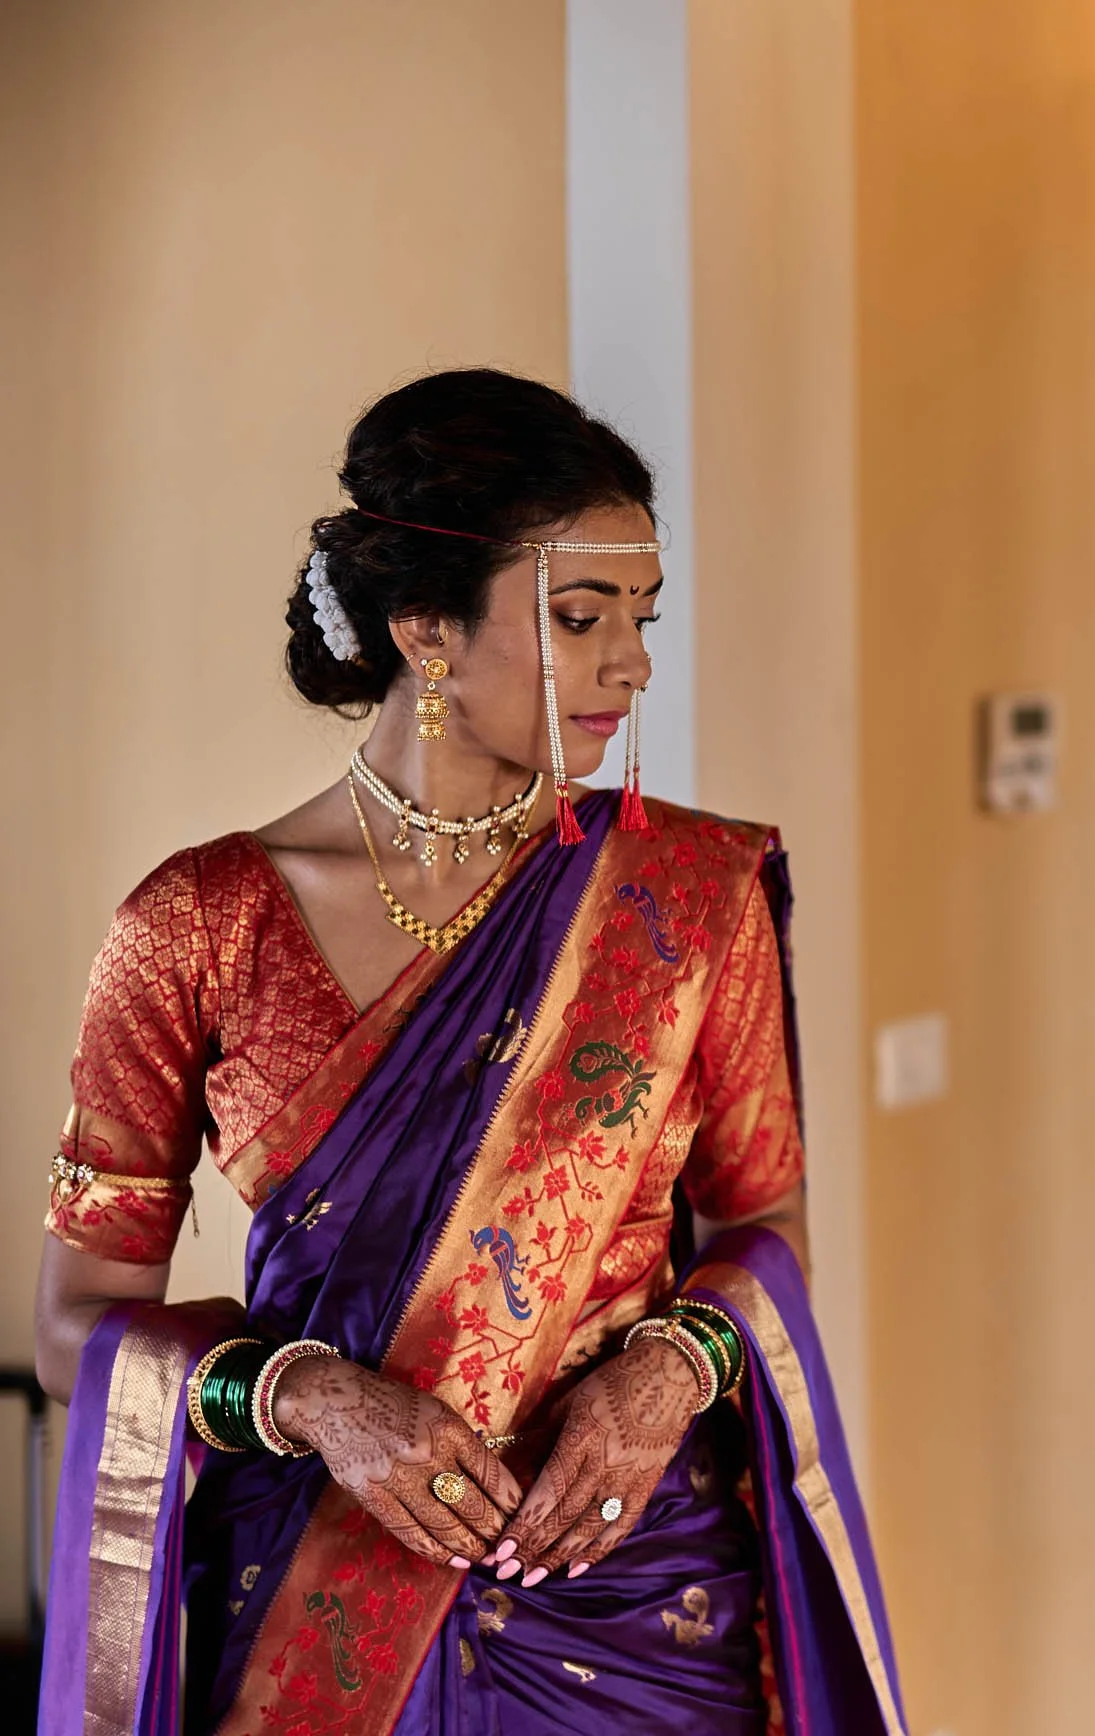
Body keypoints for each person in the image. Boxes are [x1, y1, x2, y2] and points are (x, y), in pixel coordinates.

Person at [32, 370, 904, 1736]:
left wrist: (665, 1373)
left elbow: (766, 1225)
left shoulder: (690, 896)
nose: (635, 663)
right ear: (426, 633)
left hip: (638, 1590)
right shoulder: (194, 925)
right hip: (316, 1594)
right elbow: (75, 1326)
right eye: (578, 617)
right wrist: (312, 1396)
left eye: (641, 616)